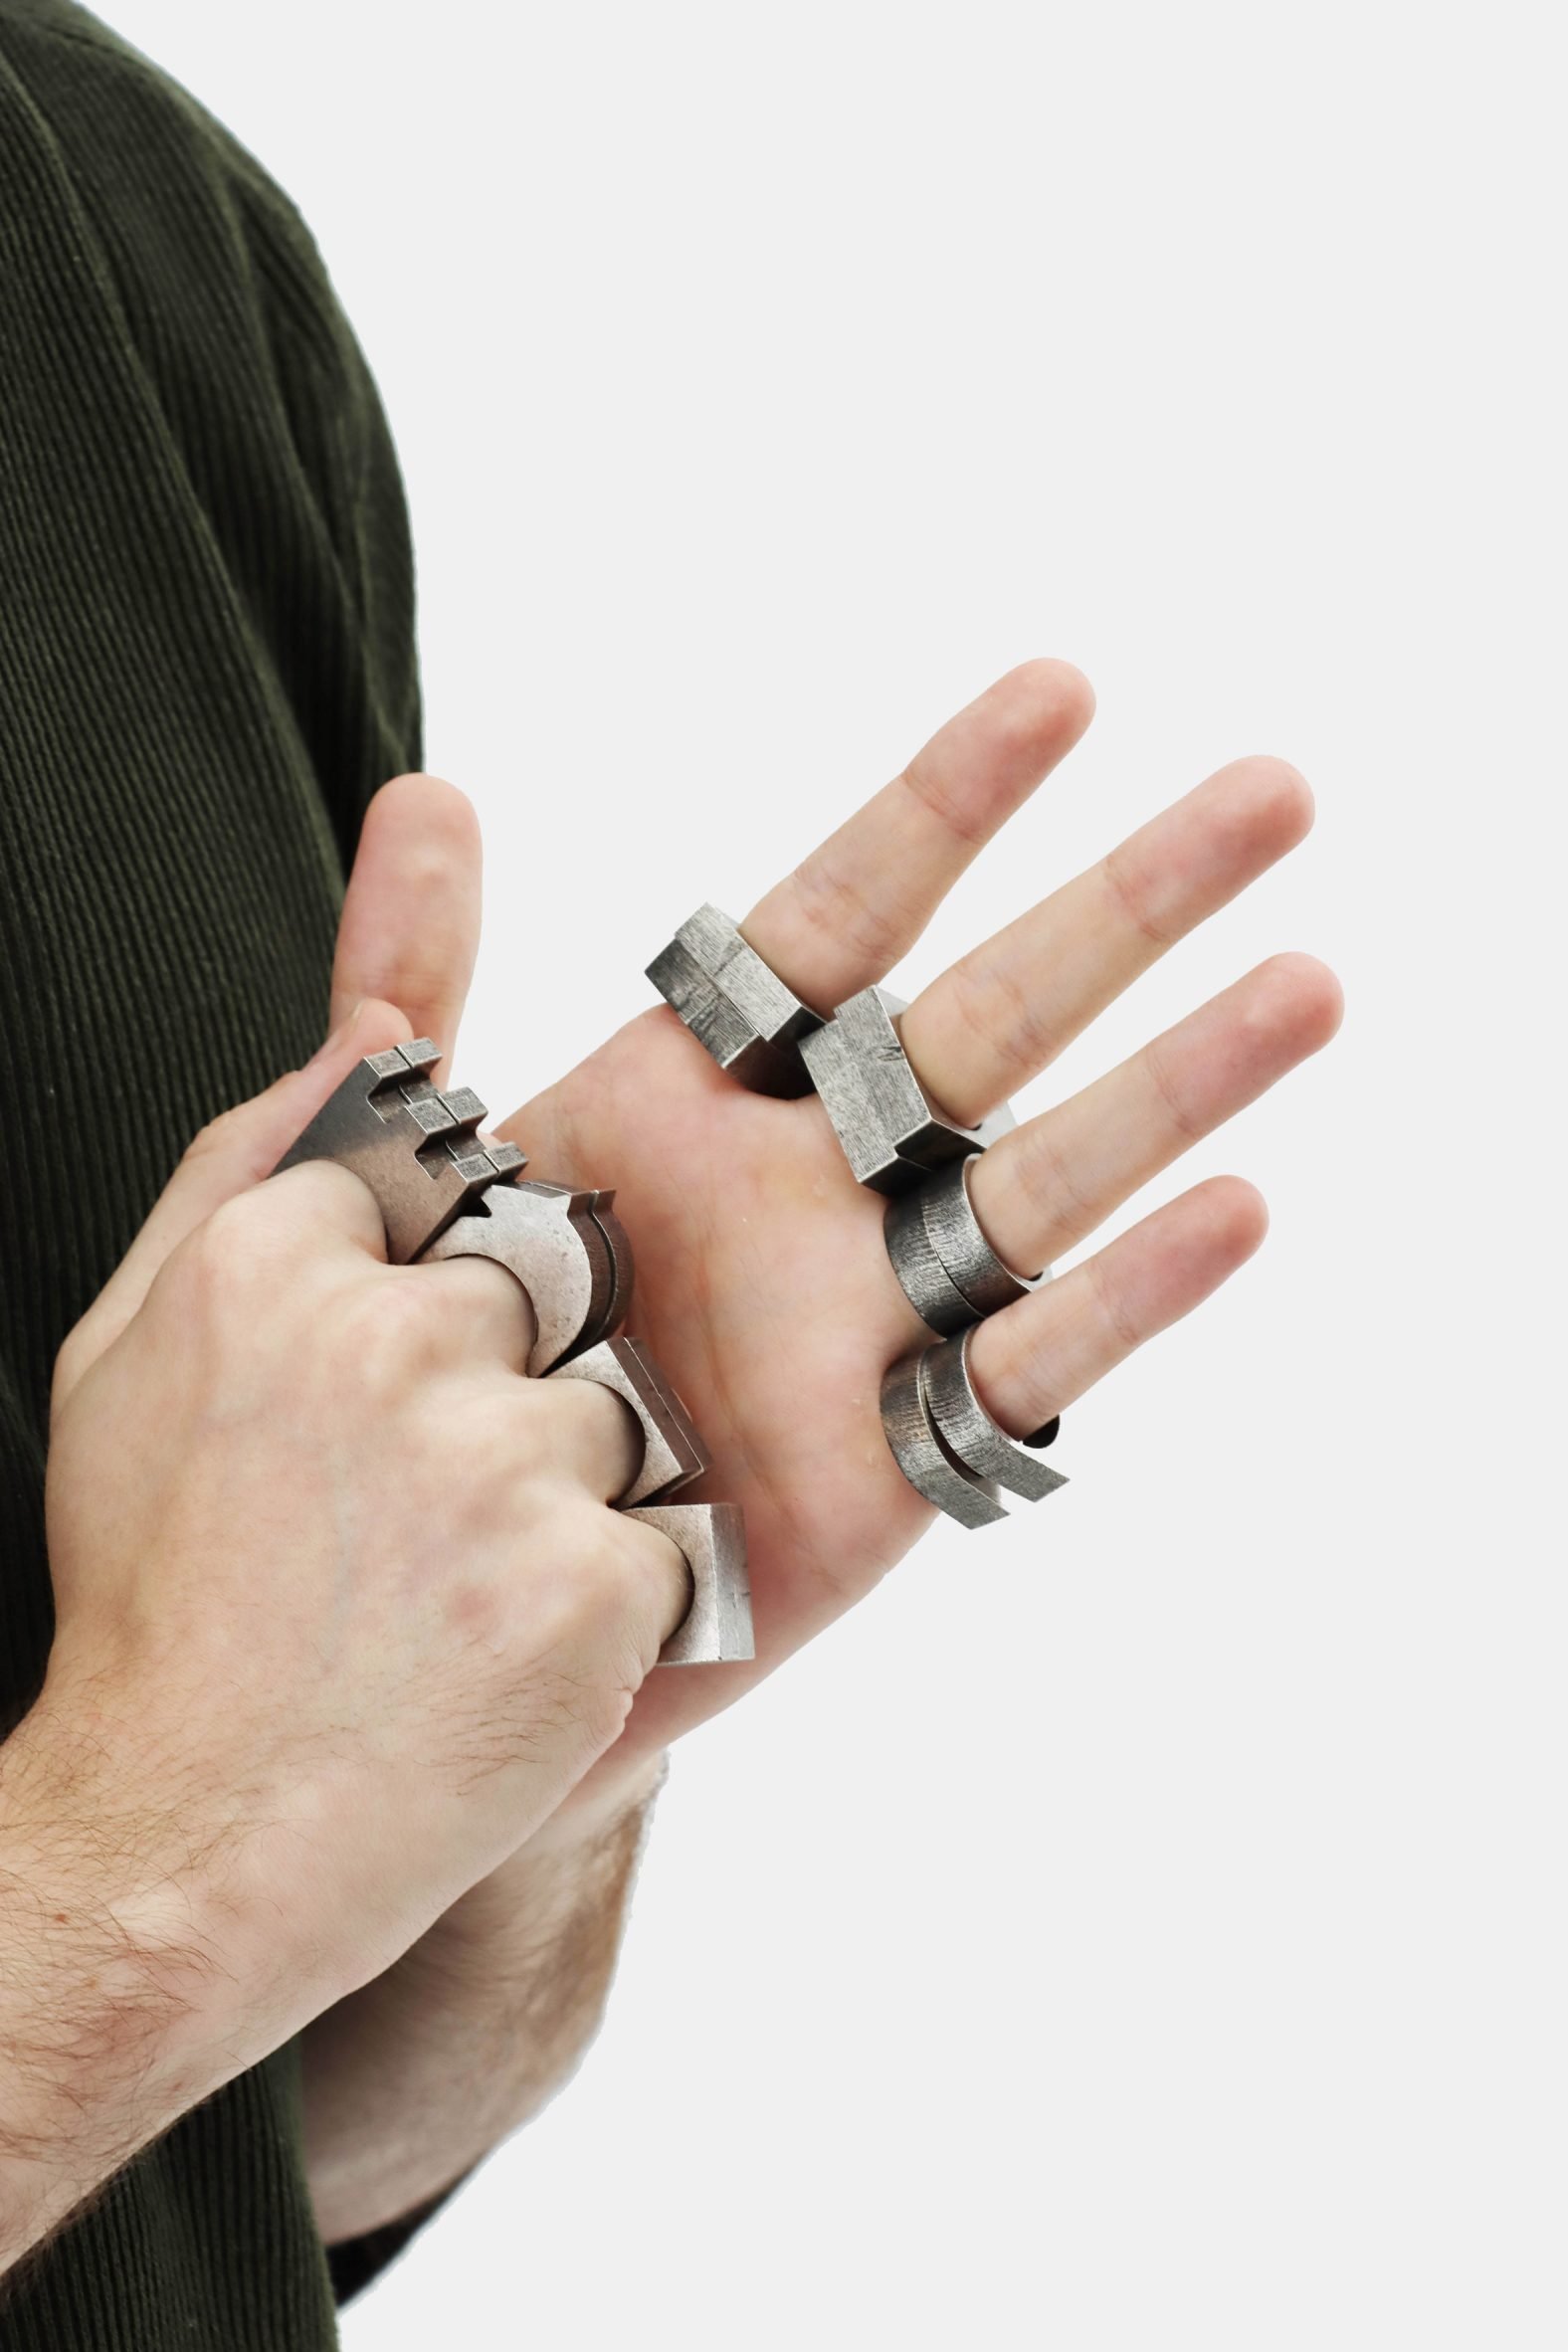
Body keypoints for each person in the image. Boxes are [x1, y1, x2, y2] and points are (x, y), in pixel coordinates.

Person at [0, 2, 1343, 2344]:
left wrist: (490, 1783)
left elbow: (259, 2178)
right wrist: (159, 1862)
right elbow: (132, 1918)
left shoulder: (101, 214)